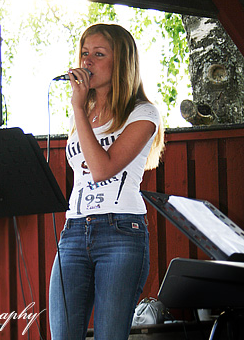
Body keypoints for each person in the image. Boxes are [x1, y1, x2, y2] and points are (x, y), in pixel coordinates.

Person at [49, 23, 164, 340]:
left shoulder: (143, 113)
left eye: (98, 54)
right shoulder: (83, 112)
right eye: (85, 53)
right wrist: (80, 108)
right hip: (73, 231)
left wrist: (77, 107)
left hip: (121, 232)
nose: (87, 62)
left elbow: (102, 169)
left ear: (121, 63)